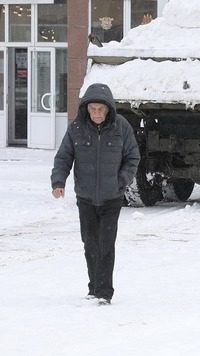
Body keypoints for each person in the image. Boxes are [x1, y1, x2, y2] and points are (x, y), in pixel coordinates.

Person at [50, 83, 140, 305]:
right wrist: (58, 181)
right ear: (86, 109)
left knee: (106, 244)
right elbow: (64, 157)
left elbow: (132, 157)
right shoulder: (76, 129)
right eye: (93, 109)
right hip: (86, 198)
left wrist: (122, 180)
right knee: (90, 243)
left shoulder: (121, 128)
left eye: (101, 109)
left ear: (109, 109)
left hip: (112, 198)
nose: (97, 114)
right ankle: (94, 287)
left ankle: (104, 292)